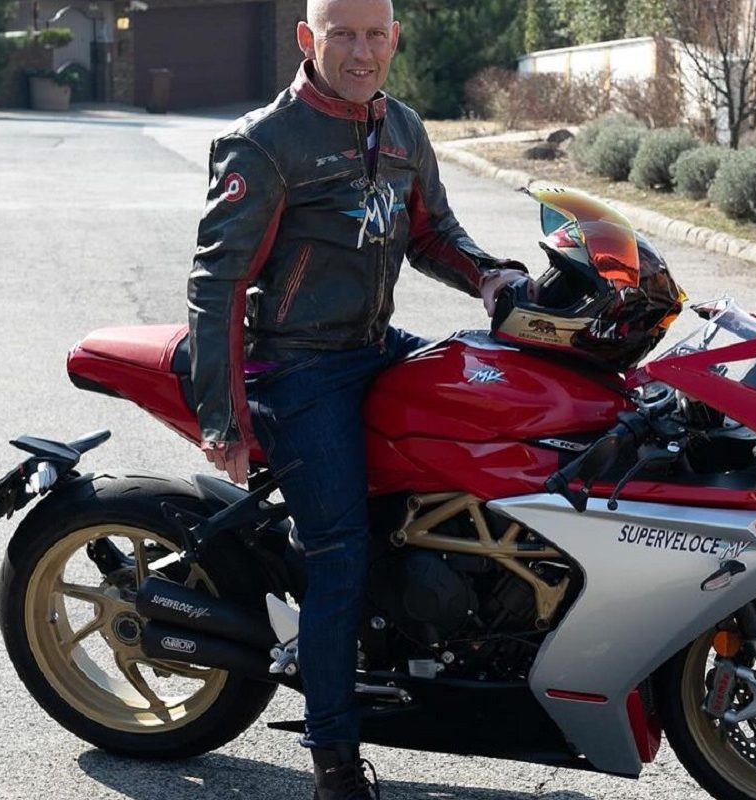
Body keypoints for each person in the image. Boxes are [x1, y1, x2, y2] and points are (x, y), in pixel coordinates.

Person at [186, 1, 525, 797]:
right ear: (308, 39)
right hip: (297, 366)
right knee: (339, 551)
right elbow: (217, 285)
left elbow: (432, 231)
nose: (362, 52)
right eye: (343, 34)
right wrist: (222, 418)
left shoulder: (401, 128)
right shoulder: (265, 143)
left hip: (374, 345)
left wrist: (490, 276)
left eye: (376, 35)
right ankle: (335, 759)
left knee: (495, 409)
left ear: (394, 40)